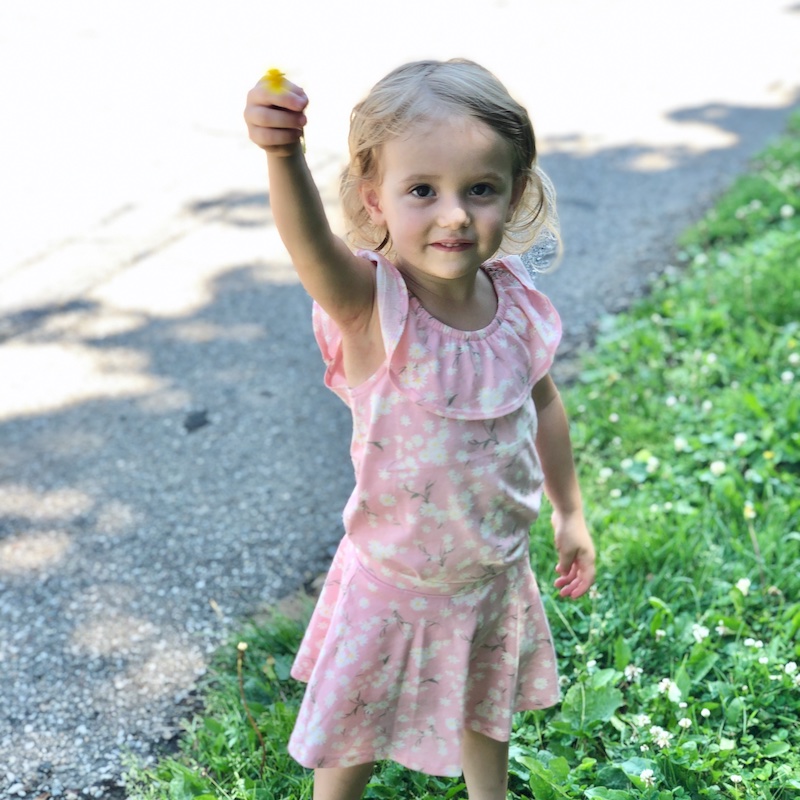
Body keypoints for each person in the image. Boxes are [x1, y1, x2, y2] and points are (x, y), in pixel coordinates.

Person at [244, 58, 596, 800]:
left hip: (493, 571)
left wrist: (570, 512)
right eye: (422, 190)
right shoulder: (371, 309)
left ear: (516, 193)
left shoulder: (515, 305)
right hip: (394, 585)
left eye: (480, 189)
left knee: (484, 703)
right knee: (353, 730)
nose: (455, 215)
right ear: (375, 199)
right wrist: (283, 155)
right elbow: (308, 244)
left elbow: (544, 406)